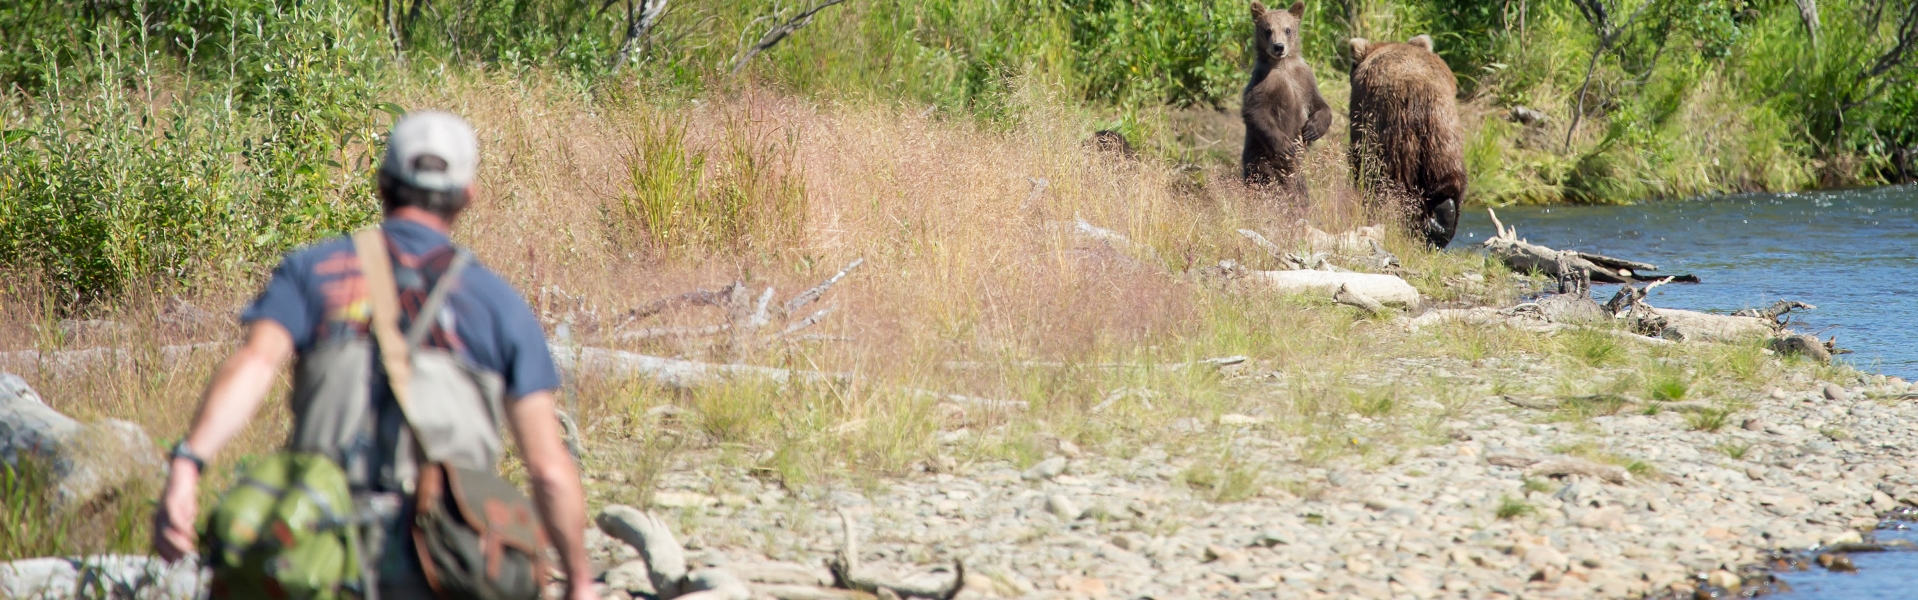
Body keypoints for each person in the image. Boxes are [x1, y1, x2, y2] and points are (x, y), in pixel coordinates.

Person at [153, 111, 598, 600]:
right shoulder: (498, 304)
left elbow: (256, 364)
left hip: (315, 548)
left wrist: (188, 464)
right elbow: (549, 470)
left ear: (383, 182)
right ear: (468, 196)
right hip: (446, 559)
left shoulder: (315, 271)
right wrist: (578, 580)